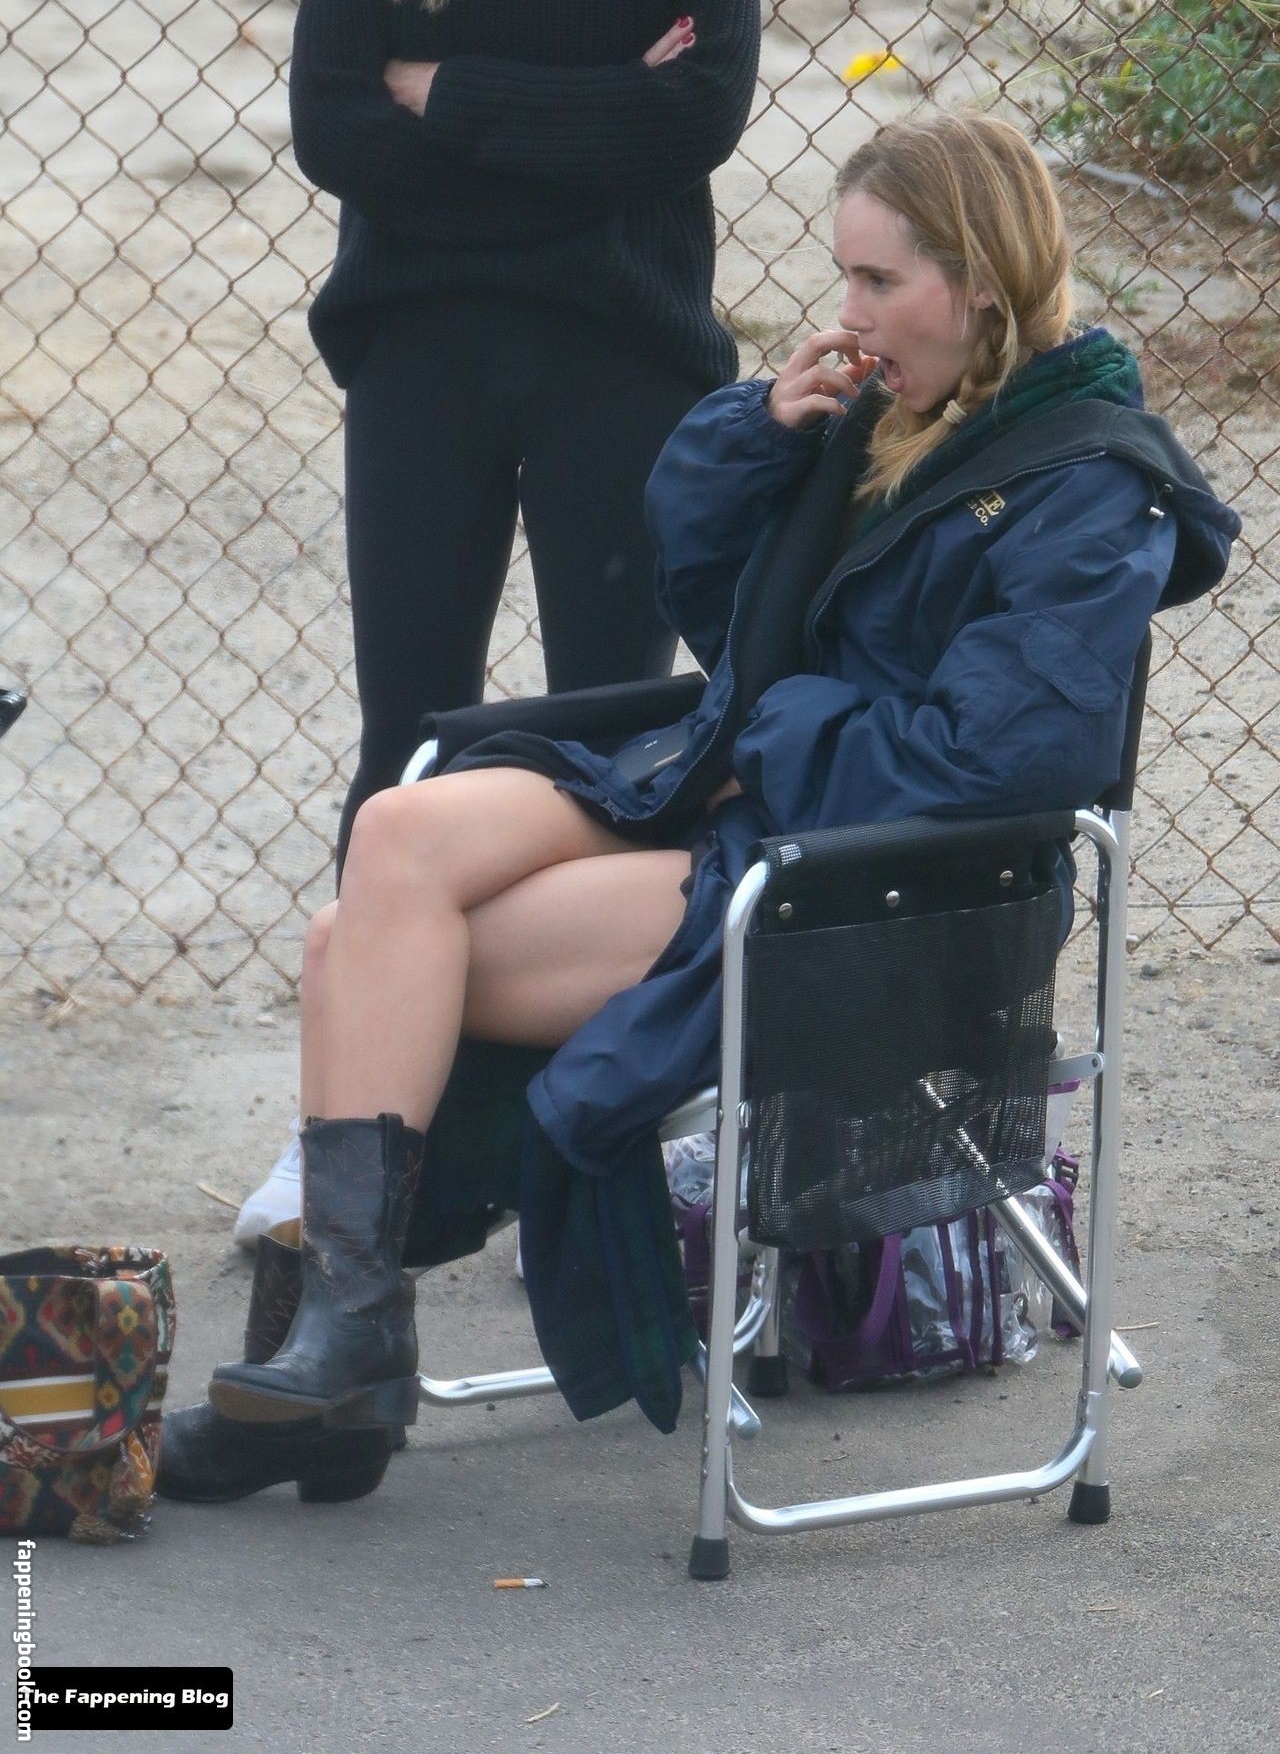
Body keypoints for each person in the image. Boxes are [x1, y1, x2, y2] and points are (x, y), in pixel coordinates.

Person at [159, 113, 1238, 1505]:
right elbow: (721, 613)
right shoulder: (900, 419)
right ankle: (345, 1347)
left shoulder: (1088, 483)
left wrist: (773, 737)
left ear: (980, 281)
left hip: (868, 883)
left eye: (878, 281)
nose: (848, 314)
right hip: (750, 790)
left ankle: (343, 1361)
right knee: (398, 832)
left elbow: (1002, 761)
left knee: (349, 955)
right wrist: (755, 440)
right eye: (844, 275)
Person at [290, 0, 760, 869]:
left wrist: (449, 96)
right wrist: (598, 131)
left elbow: (699, 111)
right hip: (420, 347)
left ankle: (585, 984)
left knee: (612, 752)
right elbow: (330, 123)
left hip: (623, 349)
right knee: (405, 751)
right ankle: (399, 975)